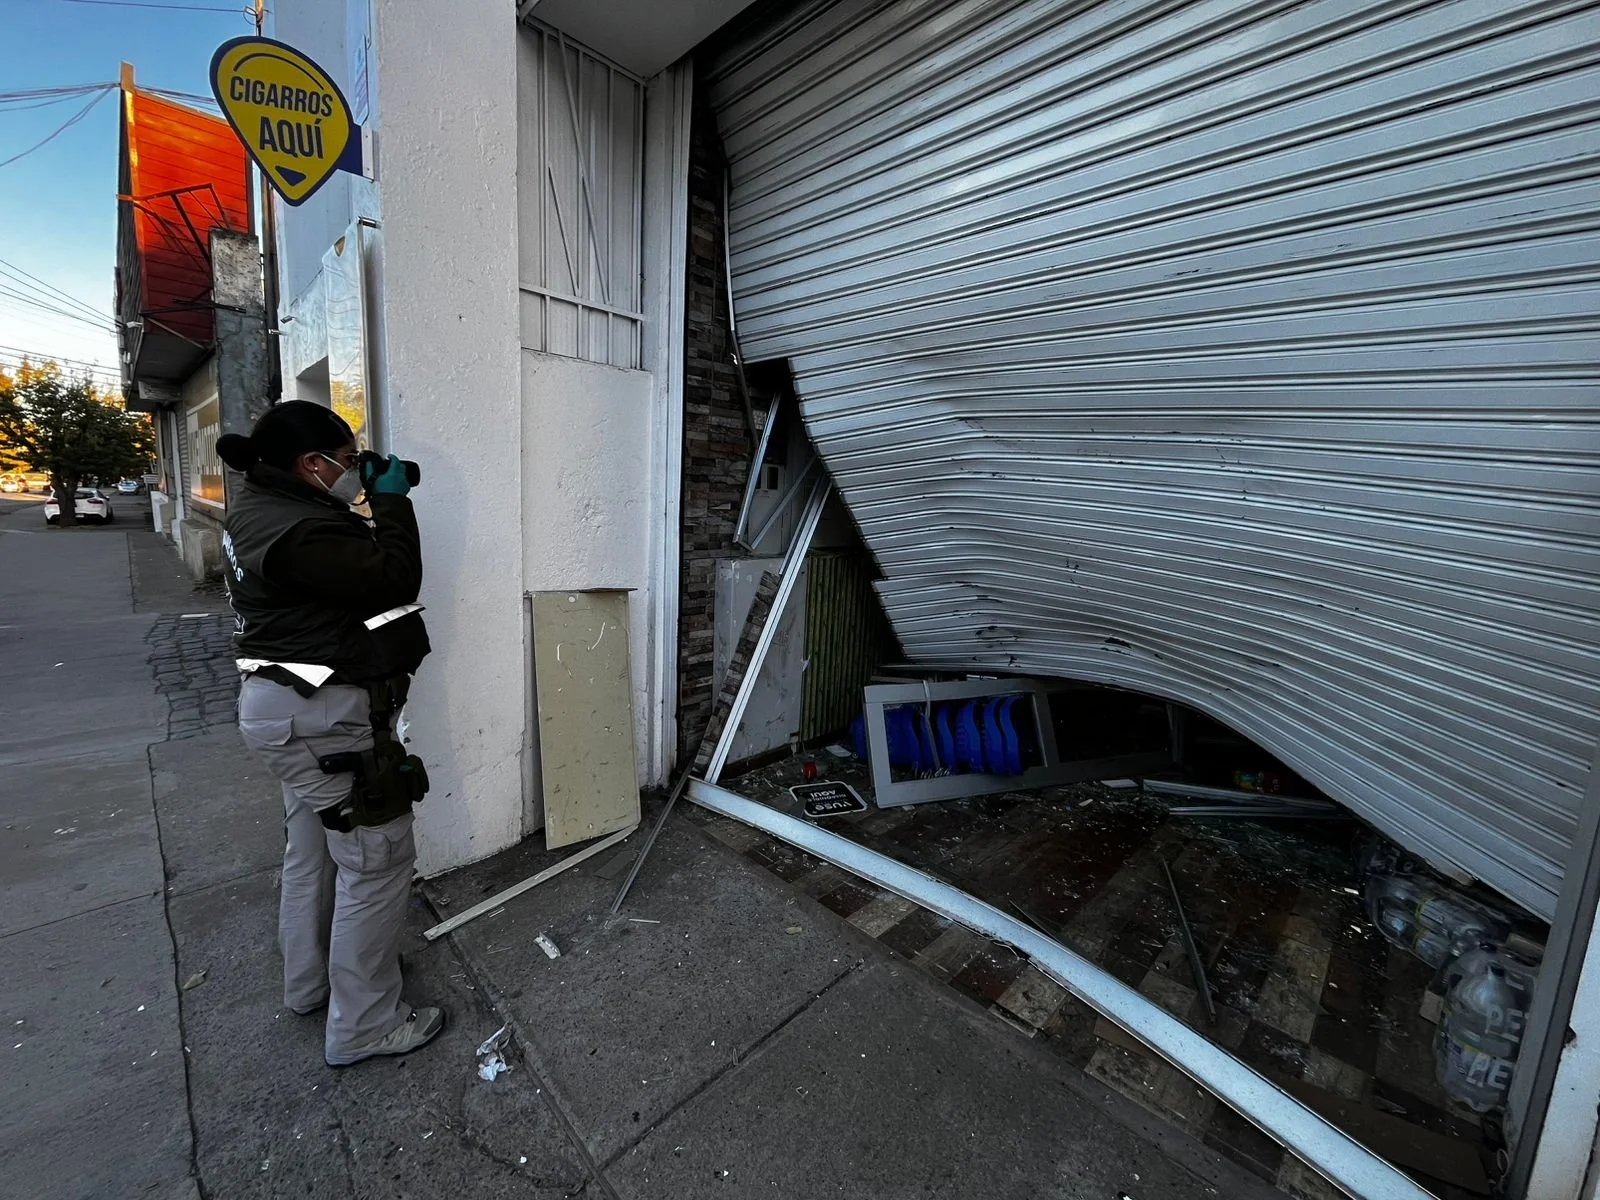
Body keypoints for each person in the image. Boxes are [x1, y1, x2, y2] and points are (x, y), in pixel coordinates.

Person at [217, 401, 444, 1067]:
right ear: (311, 465)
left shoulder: (262, 509)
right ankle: (366, 1025)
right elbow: (393, 576)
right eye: (345, 461)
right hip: (322, 720)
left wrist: (358, 492)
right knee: (377, 861)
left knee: (311, 854)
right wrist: (392, 501)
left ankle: (309, 985)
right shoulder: (299, 533)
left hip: (289, 711)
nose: (353, 472)